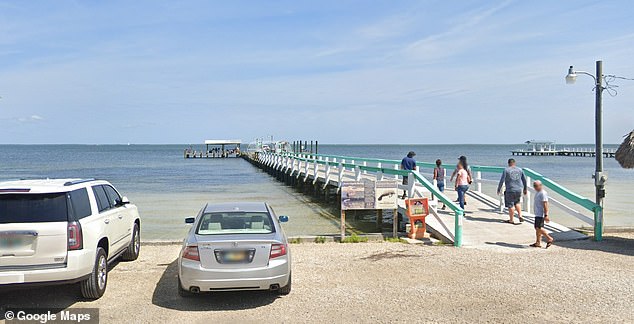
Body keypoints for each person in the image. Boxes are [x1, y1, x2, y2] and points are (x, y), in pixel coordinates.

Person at [497, 158, 528, 224]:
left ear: (508, 163)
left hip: (510, 189)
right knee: (517, 202)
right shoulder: (520, 169)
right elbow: (524, 180)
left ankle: (511, 219)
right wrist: (525, 188)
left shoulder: (506, 170)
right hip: (519, 189)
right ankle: (520, 215)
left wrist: (499, 189)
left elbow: (502, 180)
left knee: (511, 205)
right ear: (514, 163)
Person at [530, 180, 554, 248]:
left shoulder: (543, 193)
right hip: (537, 213)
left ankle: (549, 238)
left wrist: (546, 214)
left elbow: (545, 204)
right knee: (537, 228)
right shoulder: (538, 192)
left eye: (536, 186)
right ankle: (538, 242)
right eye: (534, 186)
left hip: (540, 214)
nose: (535, 187)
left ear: (540, 185)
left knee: (538, 228)